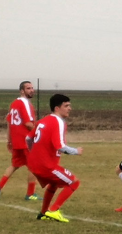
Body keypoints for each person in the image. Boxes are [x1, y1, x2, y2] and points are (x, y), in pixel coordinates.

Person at [26, 94, 83, 223]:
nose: (70, 108)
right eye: (66, 106)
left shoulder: (43, 120)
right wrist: (76, 151)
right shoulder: (58, 121)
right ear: (57, 108)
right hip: (46, 165)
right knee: (74, 182)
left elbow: (28, 138)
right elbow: (60, 146)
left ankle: (43, 212)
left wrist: (34, 153)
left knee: (54, 184)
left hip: (34, 163)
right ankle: (53, 210)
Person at [0, 81, 40, 200]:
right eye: (28, 88)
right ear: (22, 91)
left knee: (14, 165)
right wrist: (41, 132)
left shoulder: (14, 103)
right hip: (27, 141)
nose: (32, 90)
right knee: (34, 166)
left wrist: (9, 140)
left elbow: (9, 121)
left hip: (17, 141)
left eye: (32, 88)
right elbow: (29, 124)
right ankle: (30, 194)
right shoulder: (26, 104)